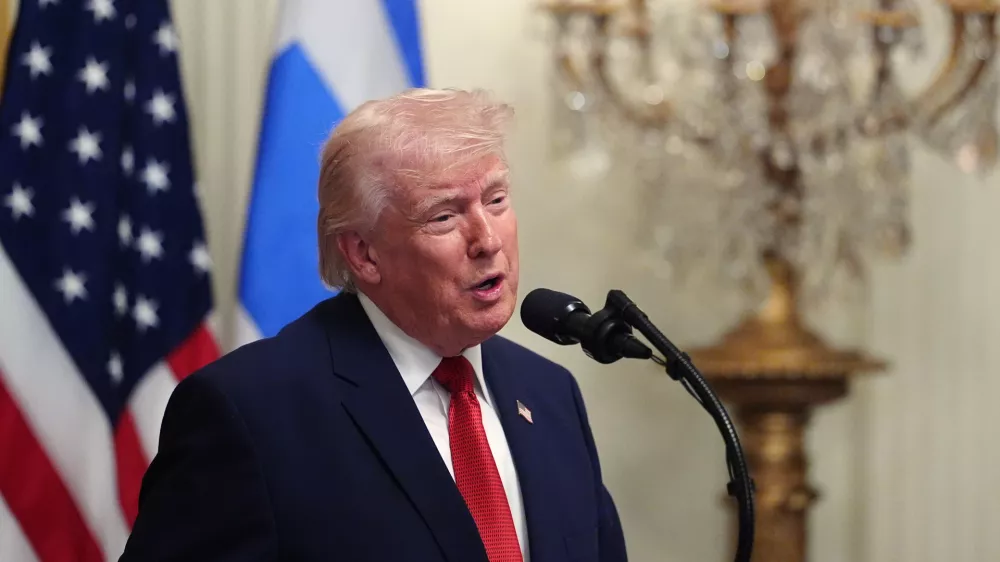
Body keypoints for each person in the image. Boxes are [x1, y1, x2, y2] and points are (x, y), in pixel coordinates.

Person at [120, 88, 627, 562]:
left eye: (496, 201)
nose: (488, 240)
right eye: (443, 217)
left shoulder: (550, 393)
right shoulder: (249, 411)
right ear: (364, 254)